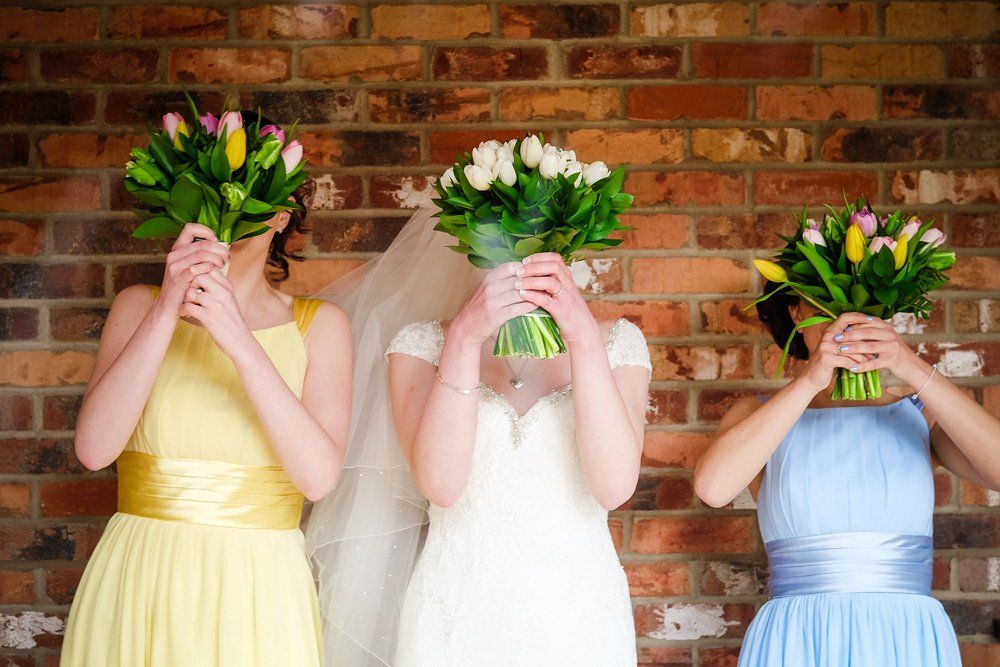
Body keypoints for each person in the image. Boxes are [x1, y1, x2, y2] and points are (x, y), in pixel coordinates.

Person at [306, 208, 650, 666]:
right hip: (454, 616)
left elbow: (613, 486)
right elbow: (443, 485)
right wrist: (465, 337)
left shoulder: (615, 342)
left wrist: (581, 333)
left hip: (579, 614)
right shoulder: (421, 345)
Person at [61, 158, 351, 666]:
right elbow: (93, 450)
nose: (229, 214)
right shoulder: (137, 306)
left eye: (252, 201)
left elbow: (319, 479)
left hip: (258, 583)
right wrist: (167, 307)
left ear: (282, 216)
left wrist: (236, 337)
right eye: (212, 197)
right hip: (140, 569)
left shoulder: (321, 325)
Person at [694, 285, 1000, 666]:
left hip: (904, 636)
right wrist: (808, 382)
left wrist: (908, 364)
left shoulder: (920, 413)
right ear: (796, 313)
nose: (845, 323)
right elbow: (713, 488)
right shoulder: (757, 413)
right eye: (826, 307)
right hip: (798, 636)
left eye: (864, 308)